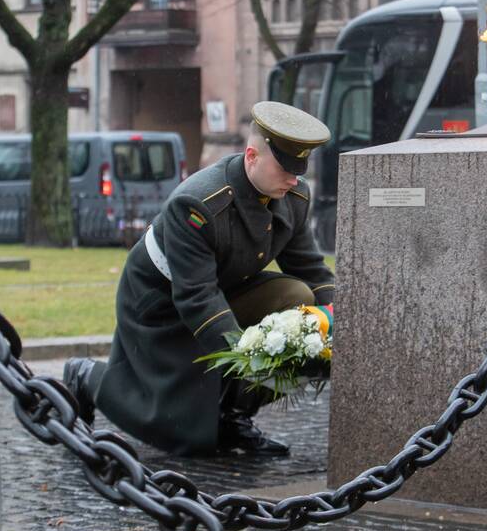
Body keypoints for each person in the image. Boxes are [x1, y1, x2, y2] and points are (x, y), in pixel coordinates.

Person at [65, 101, 335, 456]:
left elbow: (310, 270)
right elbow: (197, 297)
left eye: (299, 168)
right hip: (161, 303)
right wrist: (246, 357)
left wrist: (340, 320)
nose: (294, 178)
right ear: (251, 156)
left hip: (221, 291)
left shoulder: (293, 196)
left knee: (297, 299)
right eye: (285, 167)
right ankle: (87, 376)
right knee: (179, 428)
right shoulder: (198, 203)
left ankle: (234, 416)